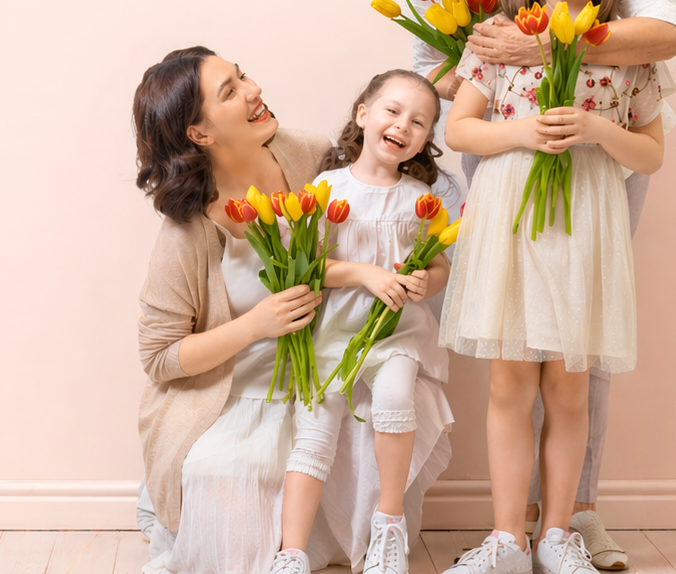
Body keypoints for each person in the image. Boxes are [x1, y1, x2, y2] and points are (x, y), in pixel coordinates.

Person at [408, 0, 676, 567]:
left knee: (570, 385)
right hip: (509, 221)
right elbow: (460, 124)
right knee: (509, 384)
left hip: (588, 223)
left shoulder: (627, 48)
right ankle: (506, 535)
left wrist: (599, 129)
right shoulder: (497, 40)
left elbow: (651, 147)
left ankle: (560, 532)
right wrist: (521, 131)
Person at [132, 46, 333, 574]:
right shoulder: (187, 227)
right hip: (232, 394)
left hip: (323, 379)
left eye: (242, 76)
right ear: (200, 133)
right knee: (230, 478)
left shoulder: (313, 156)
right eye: (230, 91)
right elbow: (159, 357)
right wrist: (254, 325)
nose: (254, 89)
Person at [272, 71, 459, 574]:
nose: (404, 125)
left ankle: (388, 526)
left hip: (397, 335)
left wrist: (427, 282)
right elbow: (310, 268)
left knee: (396, 398)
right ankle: (290, 552)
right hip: (333, 333)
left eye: (420, 122)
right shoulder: (328, 189)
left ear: (426, 139)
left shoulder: (421, 199)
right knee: (315, 427)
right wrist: (367, 275)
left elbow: (438, 263)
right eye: (393, 111)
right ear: (363, 114)